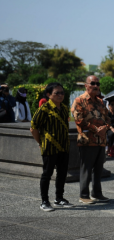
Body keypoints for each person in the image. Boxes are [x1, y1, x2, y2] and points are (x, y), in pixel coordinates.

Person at [30, 82, 73, 211]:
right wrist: (40, 143)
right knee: (47, 174)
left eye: (62, 93)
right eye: (57, 93)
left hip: (64, 146)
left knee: (62, 173)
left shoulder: (65, 108)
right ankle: (44, 201)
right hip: (50, 147)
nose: (60, 95)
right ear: (49, 95)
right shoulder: (44, 109)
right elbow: (33, 128)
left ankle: (59, 198)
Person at [72, 75, 111, 204]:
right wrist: (95, 129)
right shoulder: (79, 100)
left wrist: (105, 128)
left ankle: (97, 193)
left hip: (100, 140)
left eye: (97, 84)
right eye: (92, 83)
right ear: (86, 85)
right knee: (86, 168)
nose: (95, 86)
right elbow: (78, 119)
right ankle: (84, 195)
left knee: (99, 168)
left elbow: (108, 118)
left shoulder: (100, 102)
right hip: (87, 139)